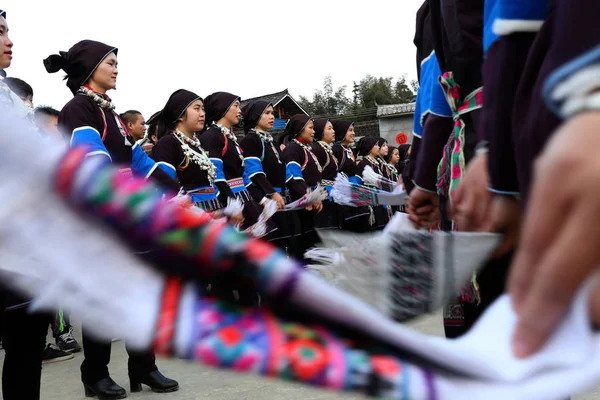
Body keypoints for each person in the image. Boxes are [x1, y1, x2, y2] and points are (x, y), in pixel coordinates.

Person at [44, 39, 179, 399]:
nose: (117, 68)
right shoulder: (78, 109)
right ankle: (94, 374)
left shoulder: (113, 116)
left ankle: (143, 367)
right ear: (91, 69)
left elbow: (139, 164)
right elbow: (93, 162)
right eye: (111, 62)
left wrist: (169, 182)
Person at [240, 100, 300, 250]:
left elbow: (285, 172)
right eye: (267, 113)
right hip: (267, 200)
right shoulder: (250, 140)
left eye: (272, 113)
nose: (271, 116)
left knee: (289, 241)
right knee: (274, 245)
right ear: (255, 116)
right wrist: (272, 193)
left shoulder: (270, 141)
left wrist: (305, 194)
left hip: (282, 198)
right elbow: (255, 173)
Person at [281, 114, 323, 259]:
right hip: (300, 204)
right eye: (310, 128)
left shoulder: (305, 149)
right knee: (303, 246)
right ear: (300, 129)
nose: (314, 131)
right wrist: (309, 197)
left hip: (310, 203)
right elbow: (294, 177)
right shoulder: (293, 149)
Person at [332, 120, 370, 232]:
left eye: (353, 130)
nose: (353, 133)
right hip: (345, 198)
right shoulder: (336, 150)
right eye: (350, 130)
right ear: (341, 132)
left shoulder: (349, 150)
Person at [311, 119, 342, 231]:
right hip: (324, 196)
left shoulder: (327, 149)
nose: (333, 131)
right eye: (329, 128)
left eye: (332, 128)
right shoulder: (317, 150)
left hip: (332, 194)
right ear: (320, 132)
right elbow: (314, 175)